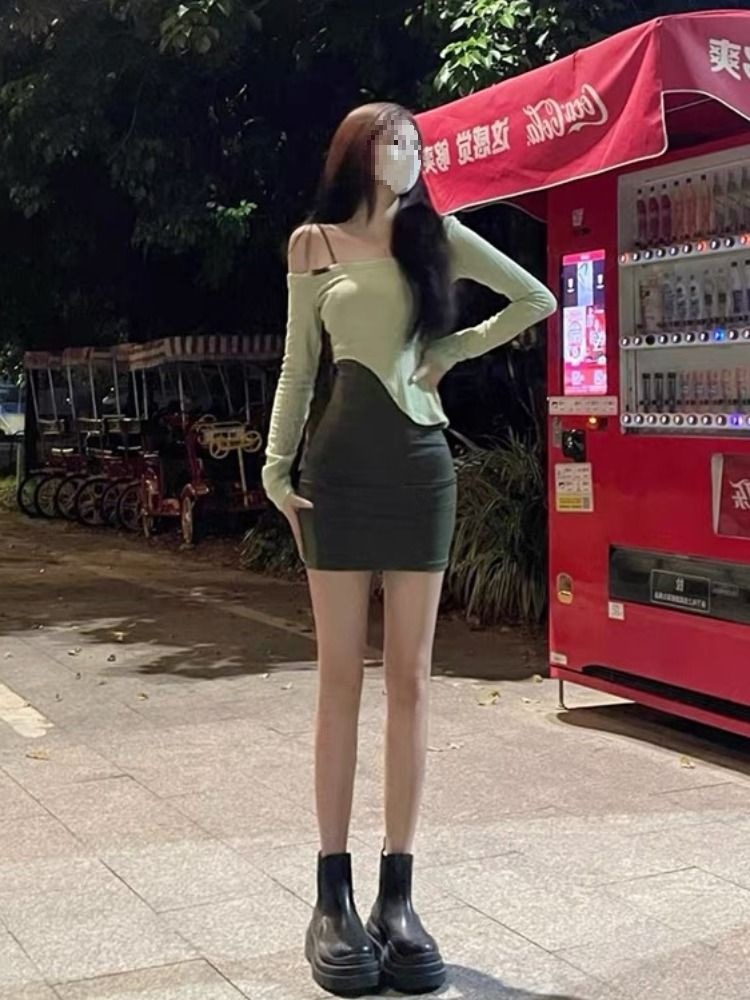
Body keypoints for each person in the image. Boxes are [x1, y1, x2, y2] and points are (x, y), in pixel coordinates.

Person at [261, 102, 557, 997]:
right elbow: (299, 367)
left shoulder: (438, 235)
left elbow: (535, 298)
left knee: (413, 680)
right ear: (360, 152)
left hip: (423, 470)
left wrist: (453, 350)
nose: (410, 154)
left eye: (416, 143)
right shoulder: (313, 245)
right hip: (336, 475)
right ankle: (332, 896)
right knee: (338, 677)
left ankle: (398, 896)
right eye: (395, 142)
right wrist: (275, 467)